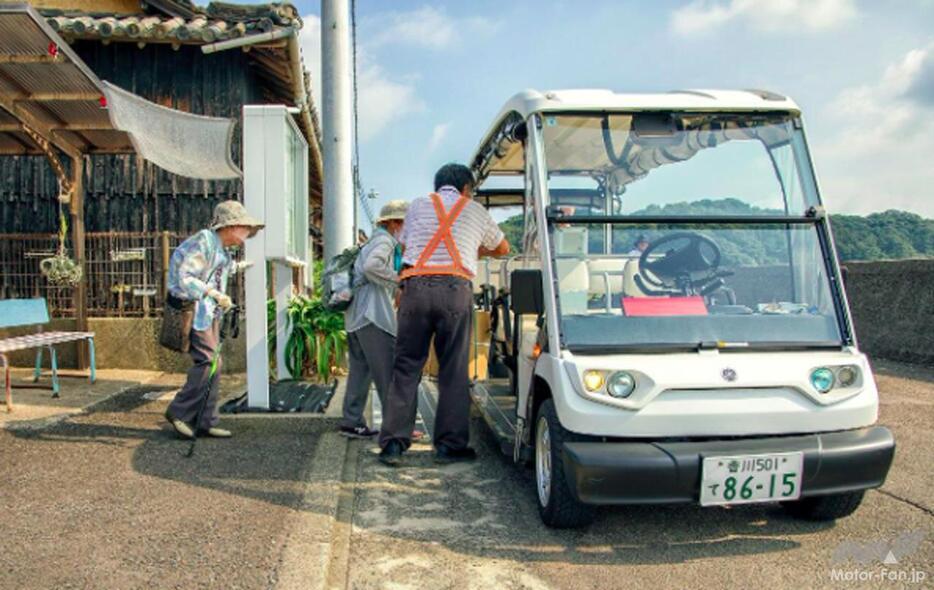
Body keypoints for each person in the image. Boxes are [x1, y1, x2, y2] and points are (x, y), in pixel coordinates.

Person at [378, 163, 510, 466]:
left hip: (415, 287)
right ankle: (450, 446)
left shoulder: (418, 206)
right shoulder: (475, 210)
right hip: (454, 289)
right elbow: (503, 248)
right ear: (466, 188)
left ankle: (394, 445)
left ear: (438, 187)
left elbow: (405, 245)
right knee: (452, 369)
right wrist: (475, 250)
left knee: (407, 366)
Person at [164, 200, 262, 440]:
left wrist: (239, 267)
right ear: (229, 226)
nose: (247, 234)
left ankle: (205, 420)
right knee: (207, 361)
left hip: (209, 311)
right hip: (195, 310)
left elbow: (220, 271)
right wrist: (214, 293)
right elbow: (186, 277)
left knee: (214, 365)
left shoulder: (220, 248)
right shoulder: (204, 241)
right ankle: (179, 412)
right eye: (244, 228)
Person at [340, 200, 408, 438]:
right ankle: (396, 428)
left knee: (360, 372)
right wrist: (398, 279)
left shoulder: (372, 240)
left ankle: (352, 421)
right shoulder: (384, 241)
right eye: (403, 222)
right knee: (386, 372)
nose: (406, 228)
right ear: (393, 223)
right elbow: (371, 267)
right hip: (373, 316)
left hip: (356, 315)